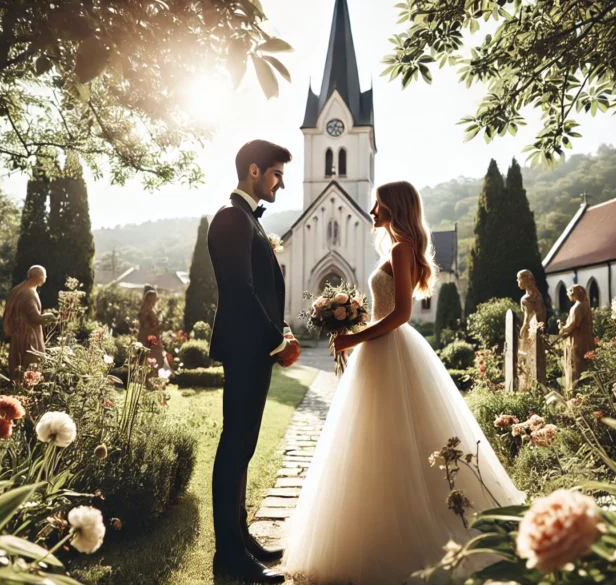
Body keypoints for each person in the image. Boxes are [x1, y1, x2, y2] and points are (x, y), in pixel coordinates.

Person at [283, 181, 525, 585]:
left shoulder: (400, 249)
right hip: (380, 346)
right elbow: (385, 310)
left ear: (393, 208)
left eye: (378, 205)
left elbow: (400, 316)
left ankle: (404, 535)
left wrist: (352, 337)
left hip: (388, 346)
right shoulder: (399, 247)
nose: (372, 211)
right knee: (380, 440)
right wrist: (354, 323)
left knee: (389, 439)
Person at [207, 140, 300, 585]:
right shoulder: (231, 218)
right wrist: (276, 341)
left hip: (253, 348)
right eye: (277, 173)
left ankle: (241, 540)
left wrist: (278, 336)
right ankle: (228, 554)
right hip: (246, 347)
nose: (281, 181)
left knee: (243, 448)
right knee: (233, 449)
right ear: (254, 170)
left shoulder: (248, 219)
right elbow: (240, 289)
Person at [2, 265, 55, 378]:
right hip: (28, 334)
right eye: (44, 276)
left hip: (18, 333)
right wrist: (49, 316)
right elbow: (34, 318)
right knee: (31, 363)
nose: (45, 278)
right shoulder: (30, 293)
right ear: (39, 277)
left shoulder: (18, 289)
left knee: (18, 363)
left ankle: (16, 386)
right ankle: (27, 388)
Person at [559, 284, 596, 392]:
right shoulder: (585, 305)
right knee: (587, 365)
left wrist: (562, 328)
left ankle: (577, 391)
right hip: (587, 339)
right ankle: (588, 389)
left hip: (577, 341)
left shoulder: (577, 307)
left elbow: (572, 325)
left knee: (577, 365)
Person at [137, 290, 171, 371]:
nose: (156, 300)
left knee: (155, 357)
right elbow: (146, 326)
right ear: (150, 298)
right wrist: (160, 327)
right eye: (154, 298)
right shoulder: (145, 310)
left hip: (151, 337)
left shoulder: (148, 308)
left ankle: (154, 376)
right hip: (148, 338)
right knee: (154, 357)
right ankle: (152, 377)